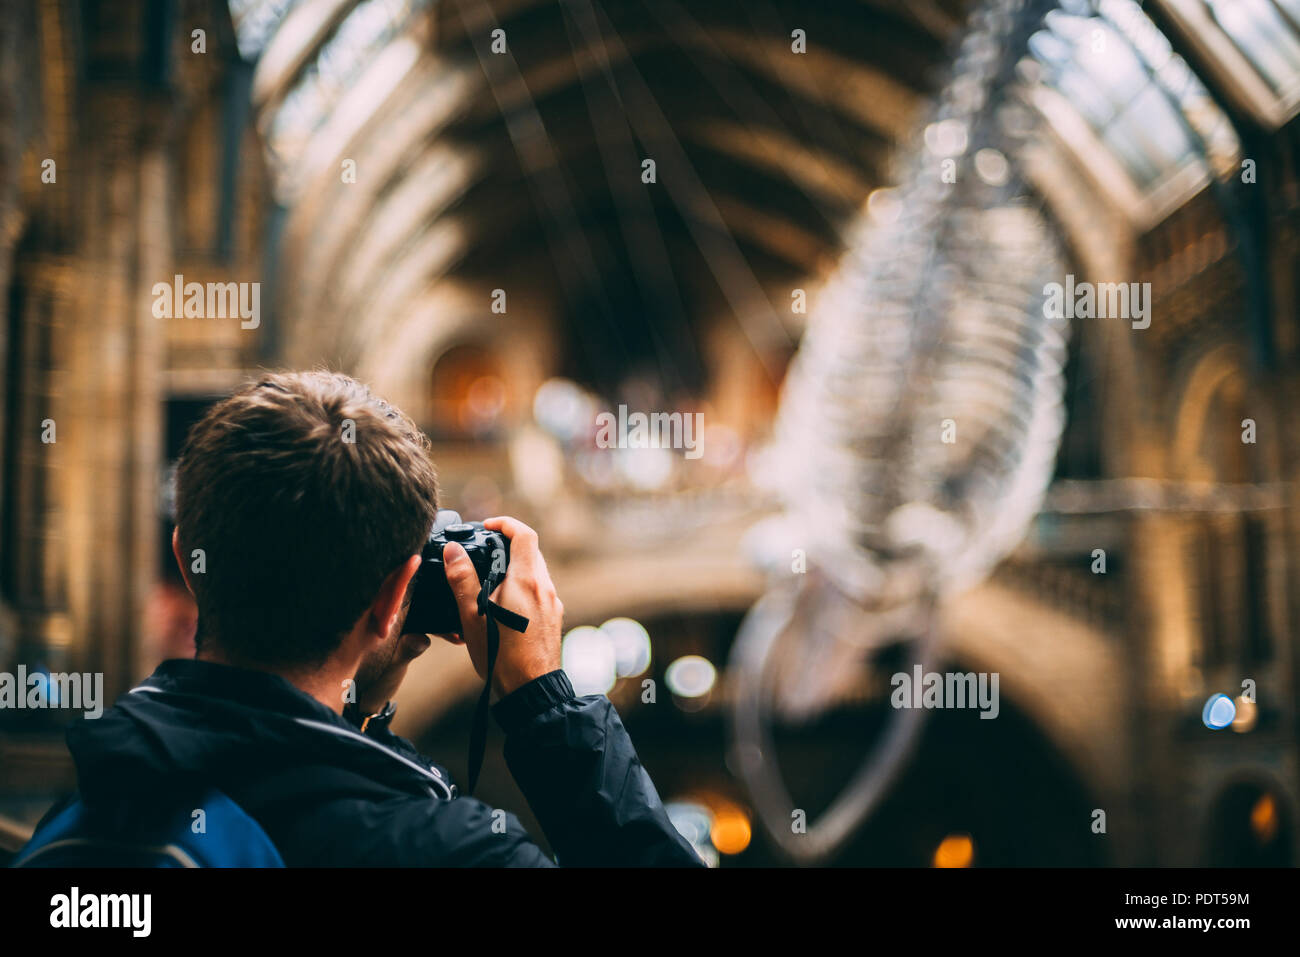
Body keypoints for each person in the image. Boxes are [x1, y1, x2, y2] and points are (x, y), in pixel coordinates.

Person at [62, 370, 702, 866]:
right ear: (398, 595)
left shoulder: (89, 801)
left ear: (186, 559)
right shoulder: (449, 853)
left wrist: (359, 711)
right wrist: (545, 705)